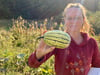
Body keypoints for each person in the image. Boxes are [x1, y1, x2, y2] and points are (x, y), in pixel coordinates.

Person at [28, 3, 100, 75]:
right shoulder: (58, 40)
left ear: (83, 19)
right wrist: (38, 54)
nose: (73, 21)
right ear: (65, 20)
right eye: (69, 18)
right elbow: (32, 64)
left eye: (77, 18)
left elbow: (97, 66)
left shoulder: (91, 42)